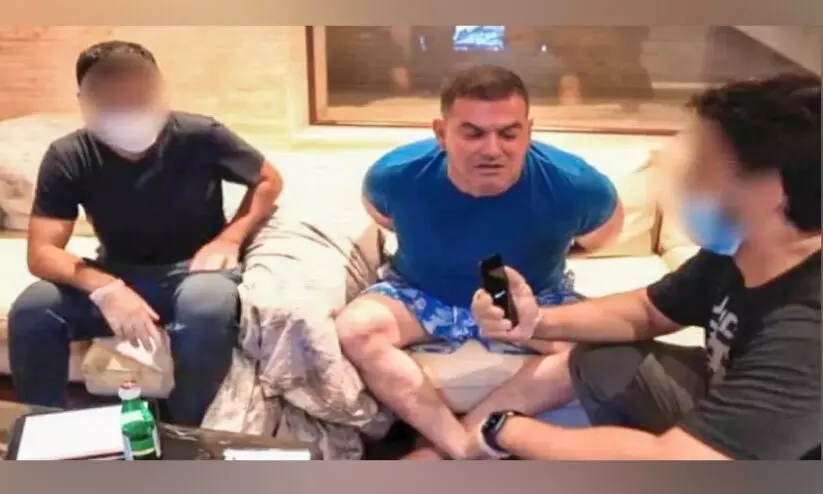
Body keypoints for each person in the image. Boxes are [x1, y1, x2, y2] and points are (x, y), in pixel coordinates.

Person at [469, 73, 821, 460]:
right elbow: (648, 310)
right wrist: (534, 321)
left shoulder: (807, 333)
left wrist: (504, 429)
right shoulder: (737, 253)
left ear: (769, 191)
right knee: (604, 359)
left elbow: (675, 460)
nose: (686, 181)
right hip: (726, 400)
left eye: (704, 166)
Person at [334, 65, 625, 460]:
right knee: (355, 329)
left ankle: (451, 446)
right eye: (473, 133)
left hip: (532, 302)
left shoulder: (577, 185)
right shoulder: (393, 176)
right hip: (420, 292)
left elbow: (598, 238)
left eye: (508, 133)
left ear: (528, 131)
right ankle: (460, 448)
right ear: (441, 133)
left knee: (599, 352)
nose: (491, 149)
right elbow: (382, 216)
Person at [7, 40, 282, 426]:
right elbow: (42, 252)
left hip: (194, 269)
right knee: (34, 309)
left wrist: (229, 238)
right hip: (117, 269)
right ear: (85, 102)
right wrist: (106, 288)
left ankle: (187, 430)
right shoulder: (69, 155)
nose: (128, 110)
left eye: (139, 96)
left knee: (206, 305)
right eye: (111, 100)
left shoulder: (199, 134)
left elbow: (268, 179)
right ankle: (43, 427)